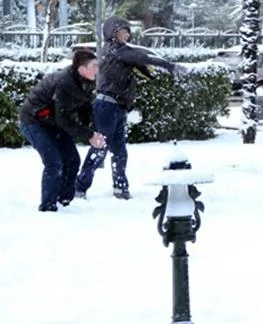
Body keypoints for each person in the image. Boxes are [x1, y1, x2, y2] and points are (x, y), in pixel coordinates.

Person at [75, 16, 182, 200]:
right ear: (111, 34)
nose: (125, 34)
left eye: (127, 30)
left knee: (120, 151)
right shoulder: (116, 50)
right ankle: (79, 187)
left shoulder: (116, 52)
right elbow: (142, 57)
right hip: (106, 106)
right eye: (121, 31)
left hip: (116, 107)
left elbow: (139, 64)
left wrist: (152, 75)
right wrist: (170, 66)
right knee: (100, 149)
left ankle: (120, 187)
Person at [19, 51, 106, 211]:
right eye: (94, 66)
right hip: (34, 121)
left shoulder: (86, 81)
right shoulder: (65, 83)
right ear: (82, 69)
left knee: (72, 160)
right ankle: (48, 206)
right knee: (54, 163)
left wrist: (94, 131)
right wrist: (89, 135)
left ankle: (64, 200)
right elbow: (63, 119)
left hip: (52, 121)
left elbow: (85, 108)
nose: (97, 69)